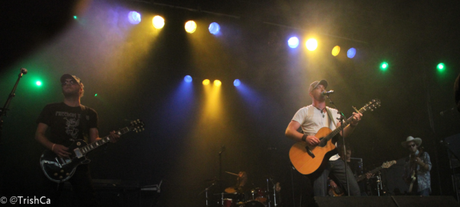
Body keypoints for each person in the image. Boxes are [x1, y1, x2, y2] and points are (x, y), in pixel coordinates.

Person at [35, 74, 120, 206]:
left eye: (72, 82)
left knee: (88, 199)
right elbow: (39, 134)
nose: (67, 84)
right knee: (47, 199)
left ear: (81, 88)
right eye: (64, 82)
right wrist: (53, 147)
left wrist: (109, 139)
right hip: (54, 160)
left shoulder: (90, 113)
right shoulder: (51, 108)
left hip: (79, 163)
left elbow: (94, 140)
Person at [285, 79, 363, 198]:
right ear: (311, 93)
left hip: (334, 158)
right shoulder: (304, 111)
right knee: (320, 197)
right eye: (318, 87)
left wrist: (353, 125)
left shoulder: (334, 112)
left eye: (323, 87)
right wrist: (305, 137)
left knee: (355, 191)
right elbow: (289, 131)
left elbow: (342, 134)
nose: (323, 89)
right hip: (316, 159)